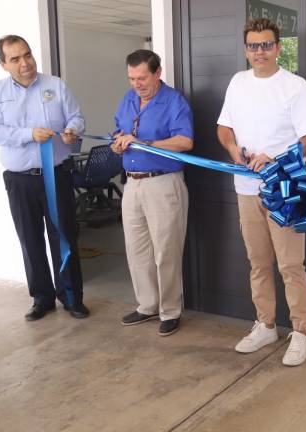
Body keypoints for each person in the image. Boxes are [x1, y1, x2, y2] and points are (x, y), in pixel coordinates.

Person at [217, 18, 306, 366]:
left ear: (277, 47)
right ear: (246, 50)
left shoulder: (295, 86)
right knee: (258, 263)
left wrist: (276, 158)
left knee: (291, 265)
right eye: (253, 46)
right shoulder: (238, 82)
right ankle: (266, 325)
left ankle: (301, 332)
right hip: (246, 189)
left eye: (266, 45)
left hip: (284, 189)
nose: (259, 52)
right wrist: (233, 149)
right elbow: (224, 128)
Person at [0, 35, 89, 321]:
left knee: (64, 237)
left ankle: (71, 298)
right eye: (15, 59)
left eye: (27, 55)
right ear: (4, 64)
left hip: (56, 176)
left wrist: (72, 130)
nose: (25, 63)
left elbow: (77, 118)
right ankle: (42, 299)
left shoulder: (55, 85)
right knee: (30, 240)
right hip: (20, 180)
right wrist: (28, 134)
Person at [111, 50, 193, 337]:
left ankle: (170, 310)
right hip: (132, 184)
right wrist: (117, 143)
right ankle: (147, 305)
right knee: (137, 250)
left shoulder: (174, 101)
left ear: (158, 73)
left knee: (166, 251)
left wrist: (145, 142)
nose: (137, 84)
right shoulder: (128, 99)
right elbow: (118, 130)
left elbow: (185, 141)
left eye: (142, 78)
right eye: (132, 78)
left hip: (163, 183)